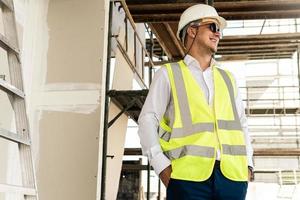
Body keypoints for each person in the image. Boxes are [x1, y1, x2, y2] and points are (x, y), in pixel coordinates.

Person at [138, 4, 253, 200]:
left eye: (220, 31)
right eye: (213, 27)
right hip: (187, 179)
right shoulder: (168, 74)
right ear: (192, 30)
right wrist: (161, 166)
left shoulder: (228, 79)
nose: (218, 34)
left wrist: (248, 165)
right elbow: (147, 120)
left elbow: (242, 125)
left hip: (233, 178)